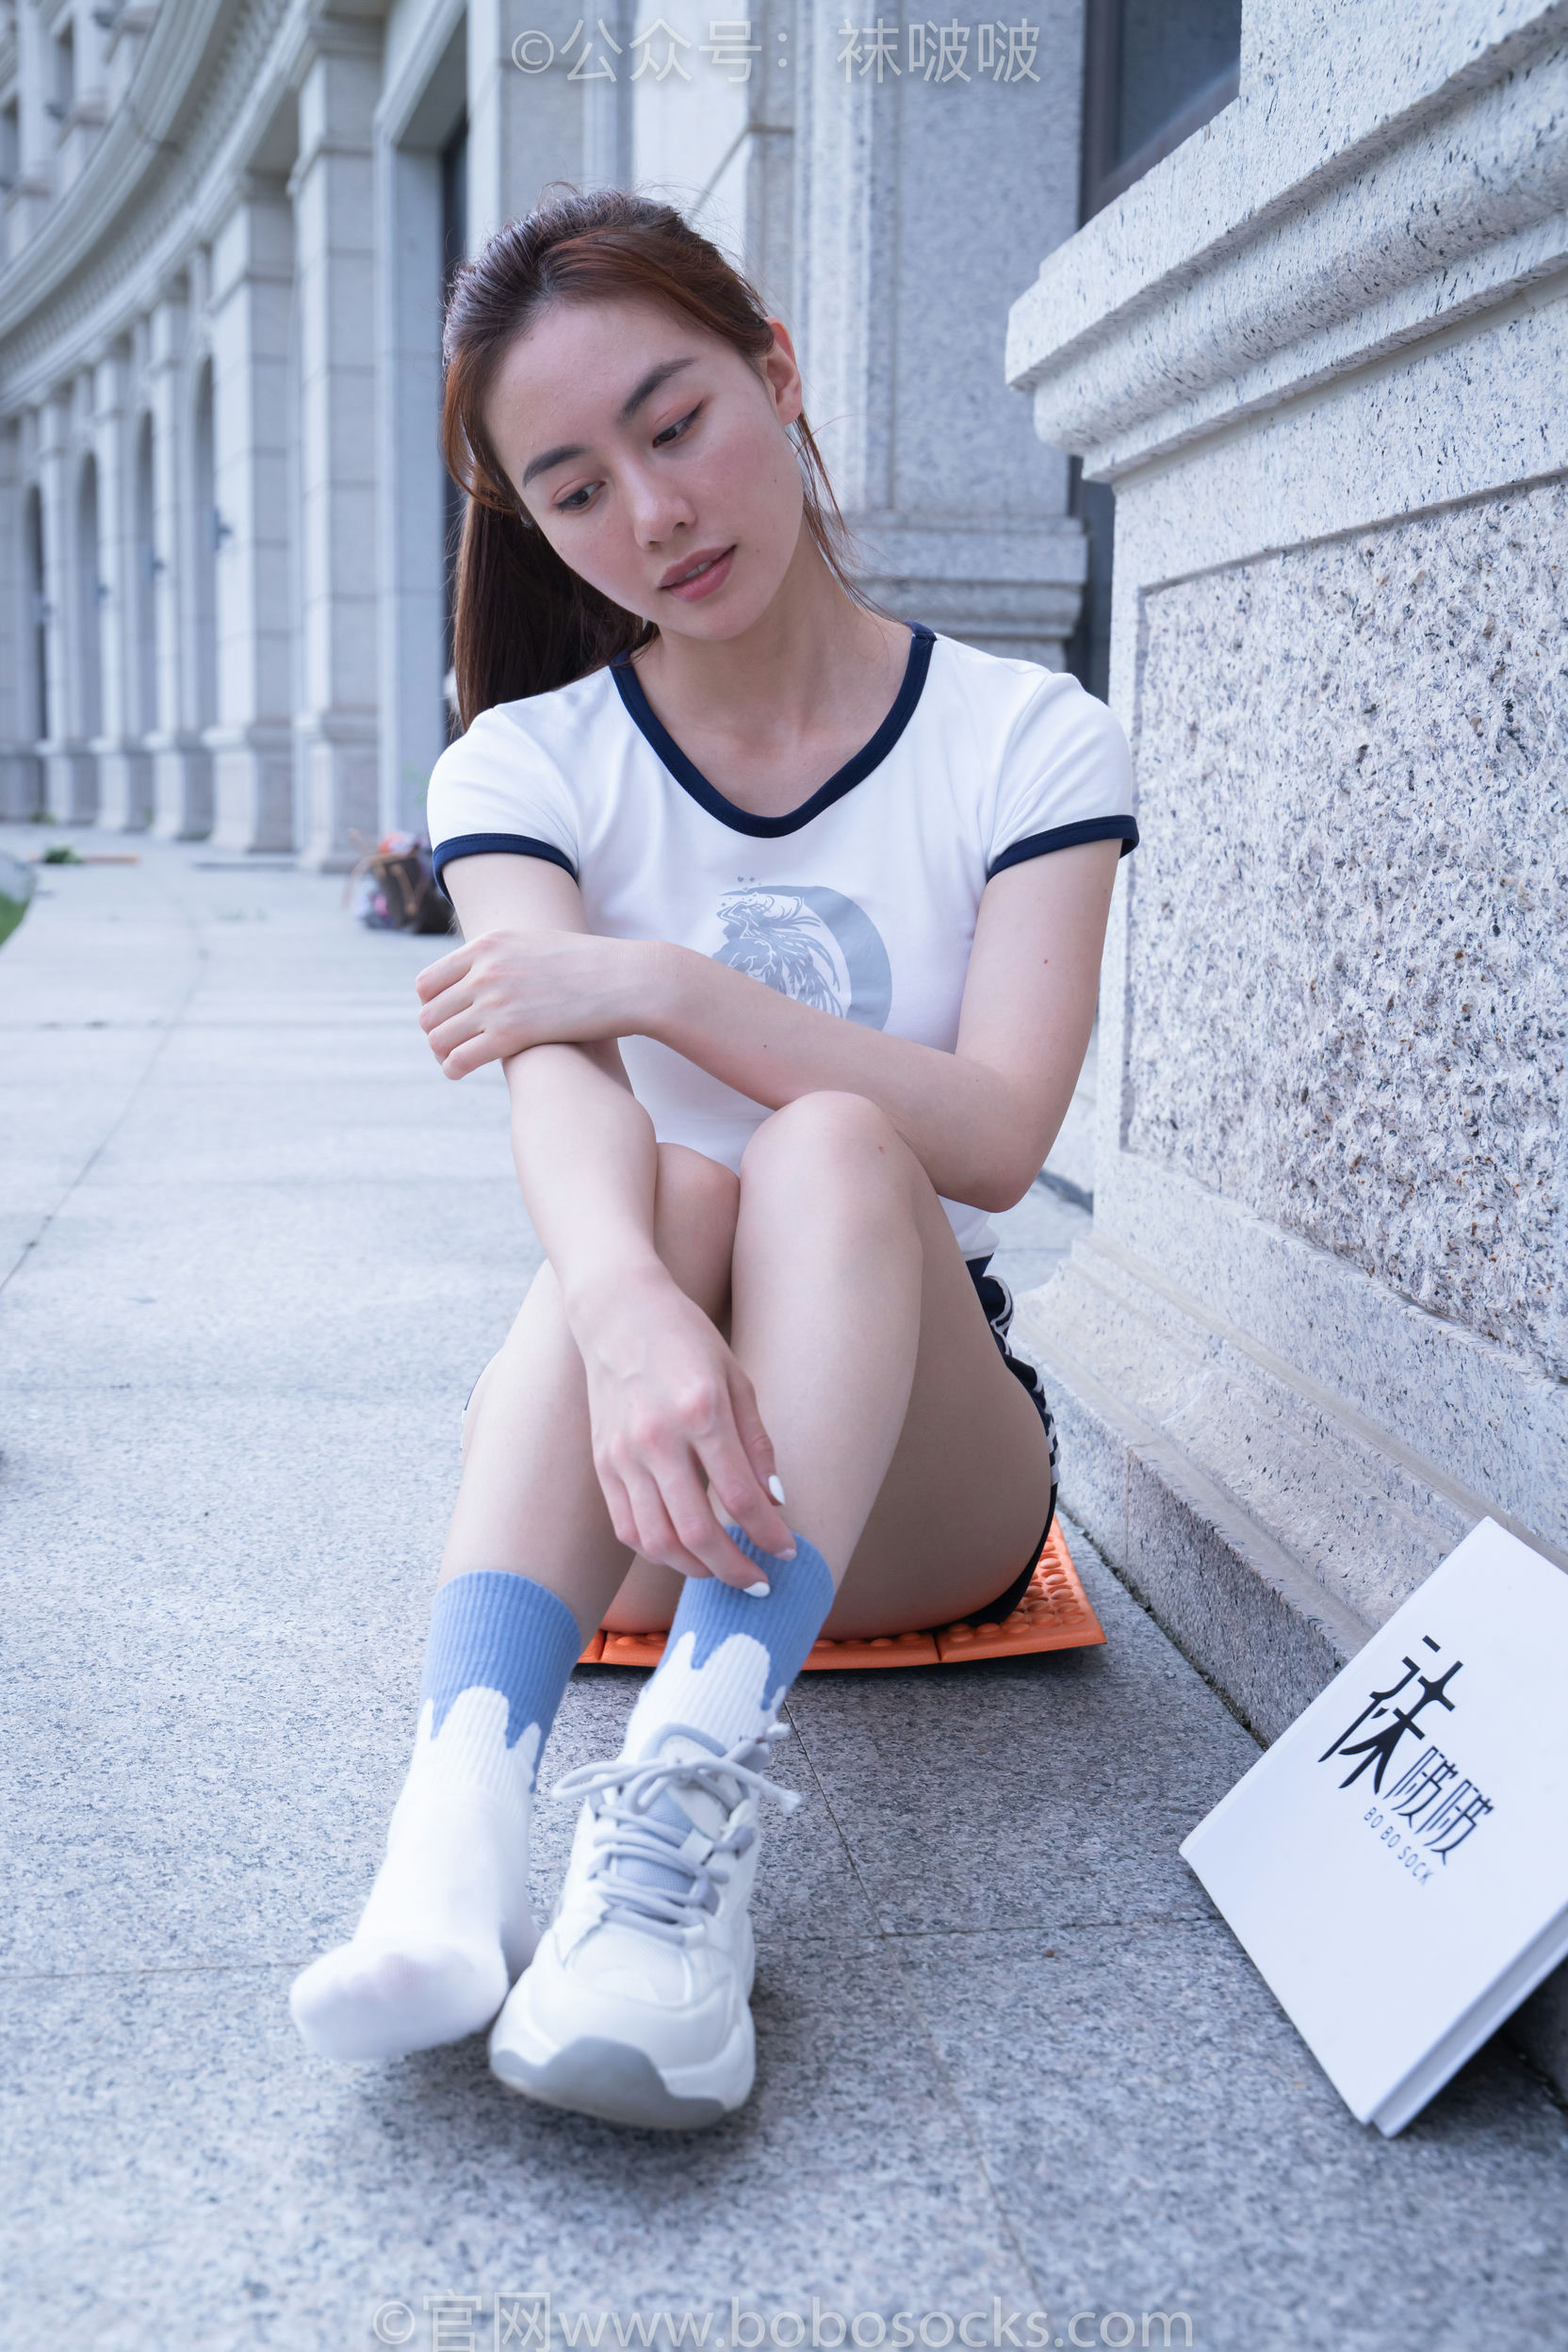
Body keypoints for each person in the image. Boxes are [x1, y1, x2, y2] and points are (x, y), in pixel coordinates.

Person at [288, 188, 1136, 2130]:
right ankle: (454, 1840)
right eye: (576, 489)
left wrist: (667, 982)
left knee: (832, 1145)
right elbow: (562, 1098)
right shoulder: (523, 765)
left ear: (778, 371)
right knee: (660, 1195)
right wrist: (630, 1313)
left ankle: (676, 1826)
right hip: (642, 1459)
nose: (655, 513)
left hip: (919, 1493)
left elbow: (998, 1137)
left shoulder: (1026, 739)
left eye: (675, 425)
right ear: (529, 523)